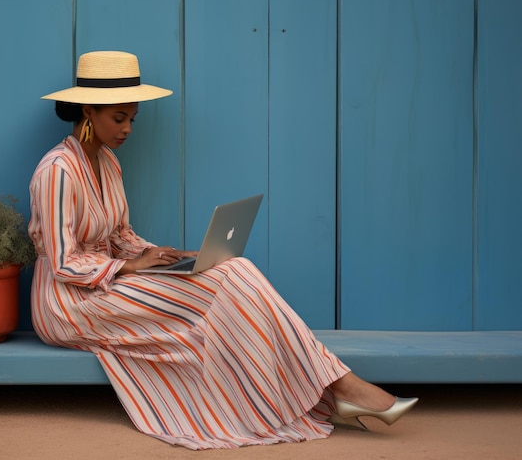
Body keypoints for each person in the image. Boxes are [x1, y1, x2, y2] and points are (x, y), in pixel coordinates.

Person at [28, 51, 418, 450]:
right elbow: (63, 262)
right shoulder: (57, 170)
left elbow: (120, 235)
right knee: (229, 280)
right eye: (119, 118)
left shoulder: (107, 162)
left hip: (107, 281)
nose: (128, 129)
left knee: (234, 268)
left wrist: (160, 254)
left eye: (132, 118)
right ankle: (345, 388)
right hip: (69, 302)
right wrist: (131, 267)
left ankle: (337, 387)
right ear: (88, 111)